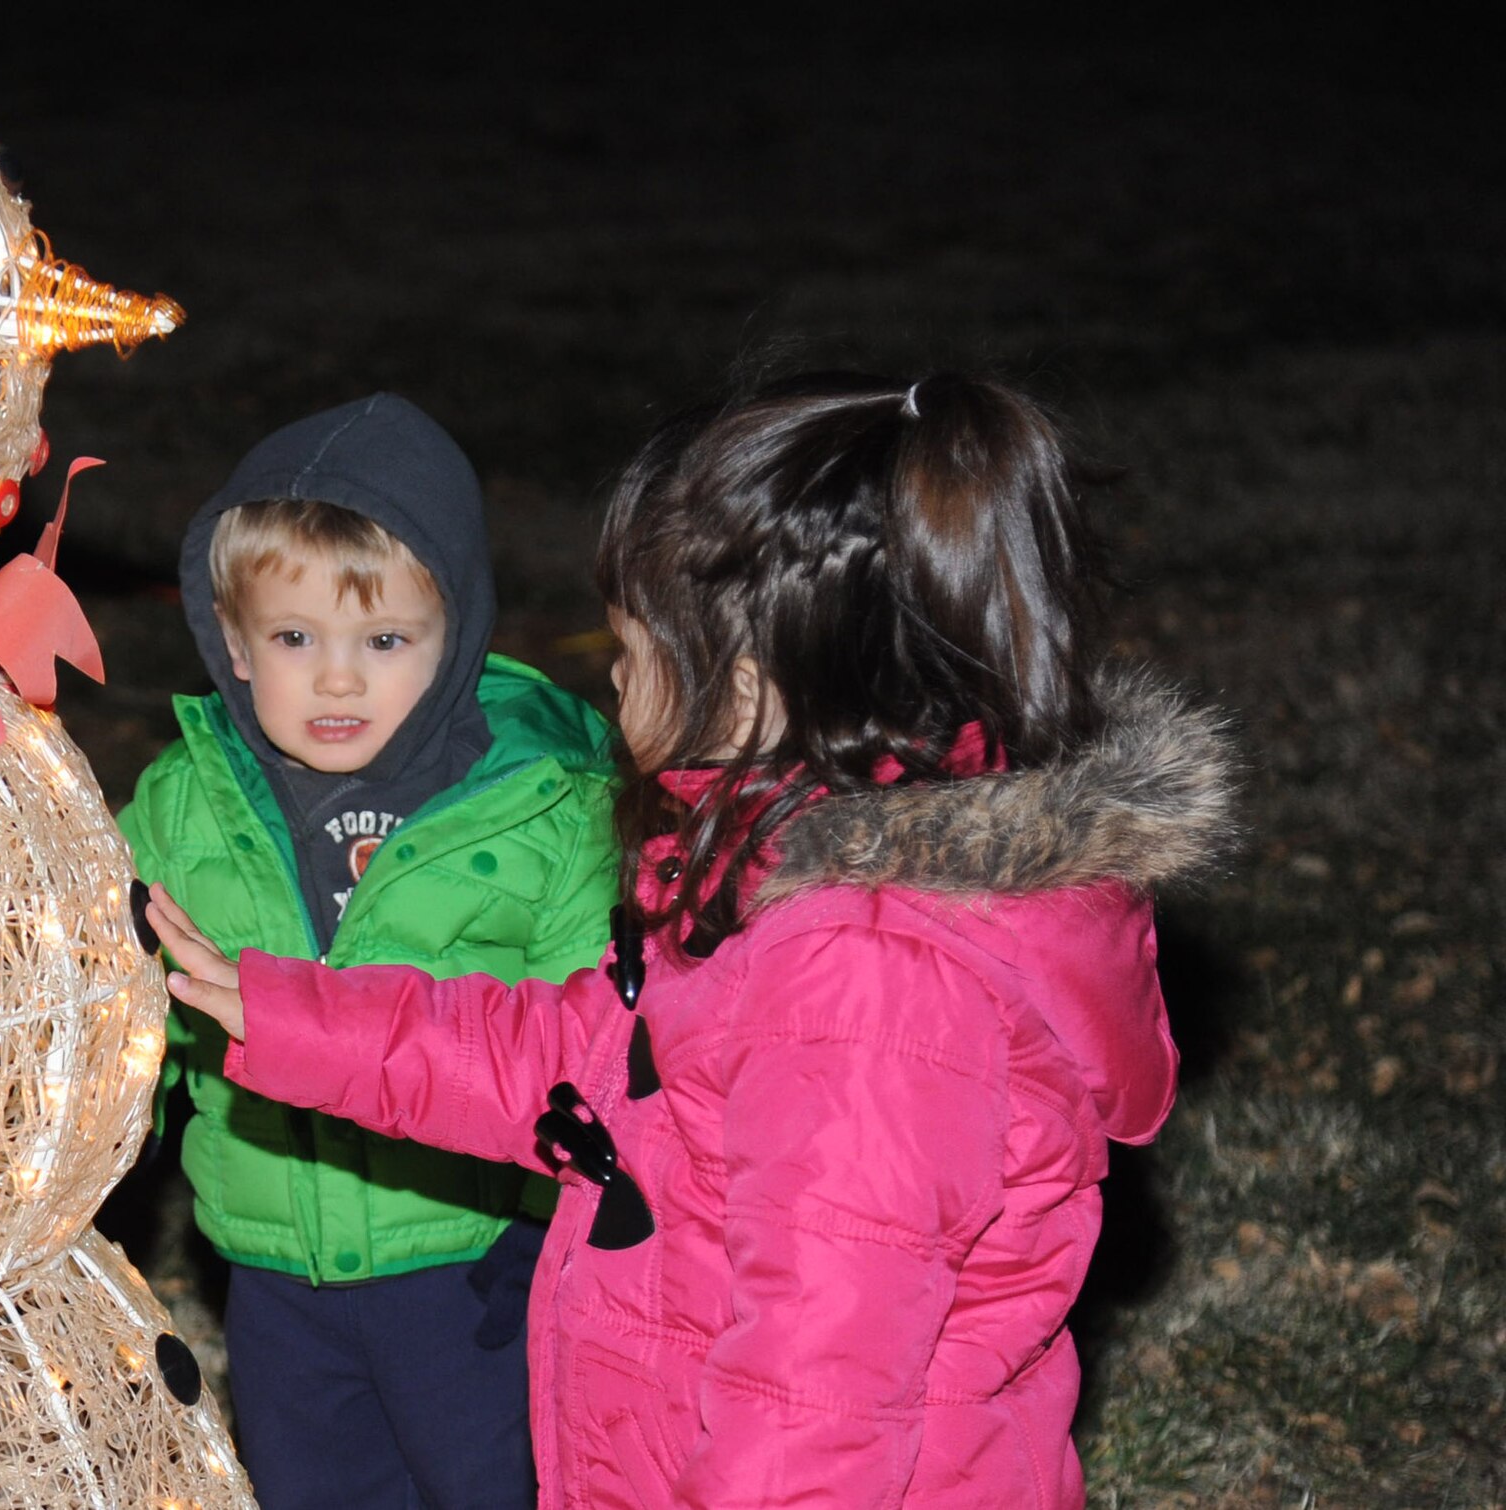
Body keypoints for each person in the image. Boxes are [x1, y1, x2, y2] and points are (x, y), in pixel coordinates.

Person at [145, 372, 1239, 1507]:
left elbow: (811, 1406)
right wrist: (289, 1012)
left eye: (630, 651)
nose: (609, 678)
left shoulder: (864, 983)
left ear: (749, 691)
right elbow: (581, 1062)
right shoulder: (774, 883)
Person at [119, 392, 619, 1509]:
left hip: (468, 1254)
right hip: (272, 1262)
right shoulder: (187, 804)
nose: (336, 680)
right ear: (233, 644)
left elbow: (590, 1040)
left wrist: (560, 1226)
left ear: (455, 639)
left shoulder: (541, 810)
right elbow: (121, 1004)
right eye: (294, 639)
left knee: (497, 1484)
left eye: (384, 641)